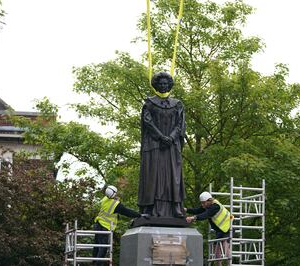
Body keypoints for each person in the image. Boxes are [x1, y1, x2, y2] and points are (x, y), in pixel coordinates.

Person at [138, 72, 186, 218]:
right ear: (156, 85)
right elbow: (148, 123)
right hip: (154, 145)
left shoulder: (177, 104)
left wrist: (171, 138)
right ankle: (149, 208)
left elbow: (180, 124)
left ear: (169, 85)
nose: (164, 86)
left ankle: (175, 207)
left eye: (166, 83)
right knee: (153, 176)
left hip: (171, 146)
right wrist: (161, 137)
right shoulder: (149, 103)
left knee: (174, 176)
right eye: (161, 84)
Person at [93, 185, 143, 266]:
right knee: (103, 247)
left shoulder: (105, 199)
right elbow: (126, 212)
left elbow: (112, 203)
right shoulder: (116, 205)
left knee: (97, 245)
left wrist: (116, 200)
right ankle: (98, 264)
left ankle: (94, 262)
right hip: (105, 227)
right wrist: (139, 215)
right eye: (115, 194)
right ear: (113, 194)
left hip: (98, 224)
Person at [186, 192, 233, 264]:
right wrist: (186, 209)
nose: (202, 205)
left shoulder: (215, 206)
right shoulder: (207, 206)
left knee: (225, 246)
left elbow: (206, 215)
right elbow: (197, 210)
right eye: (202, 203)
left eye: (204, 203)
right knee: (216, 248)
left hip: (228, 228)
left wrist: (193, 218)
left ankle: (230, 264)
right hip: (221, 230)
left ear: (209, 201)